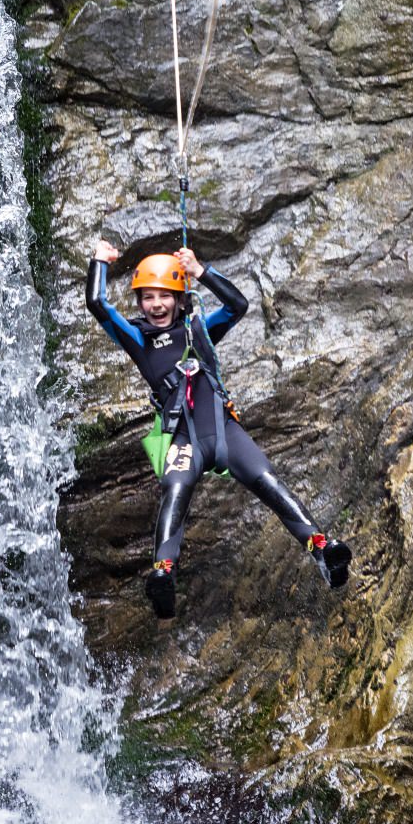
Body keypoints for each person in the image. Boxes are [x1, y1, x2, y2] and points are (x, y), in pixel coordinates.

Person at [85, 239, 352, 623]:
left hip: (223, 432)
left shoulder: (199, 331)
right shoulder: (139, 340)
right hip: (182, 439)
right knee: (175, 490)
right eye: (148, 297)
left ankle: (323, 551)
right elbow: (98, 305)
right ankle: (163, 574)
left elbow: (237, 306)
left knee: (267, 481)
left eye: (165, 296)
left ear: (180, 298)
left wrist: (200, 272)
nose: (156, 304)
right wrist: (99, 261)